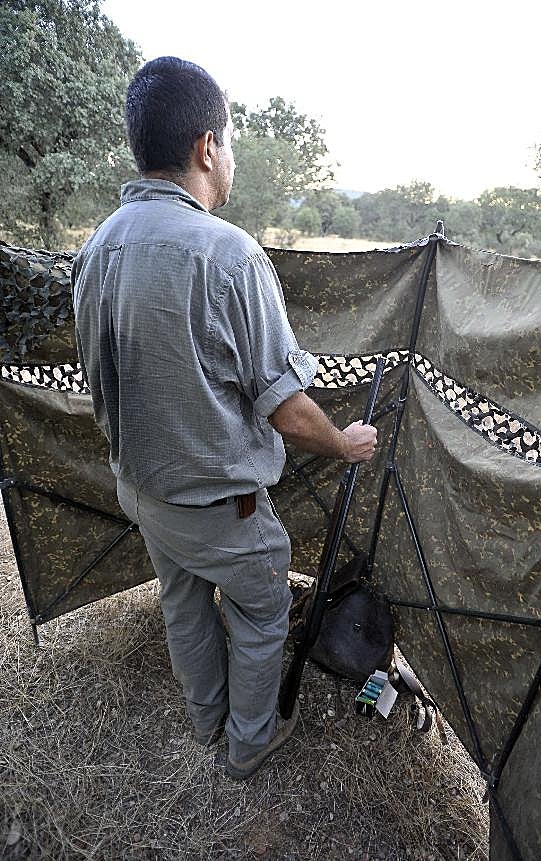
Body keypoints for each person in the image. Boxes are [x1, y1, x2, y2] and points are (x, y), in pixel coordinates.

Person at [71, 56, 377, 781]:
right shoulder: (228, 255)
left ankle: (205, 720)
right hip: (221, 512)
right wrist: (346, 443)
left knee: (184, 608)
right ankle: (247, 743)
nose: (230, 156)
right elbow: (291, 414)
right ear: (207, 147)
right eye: (230, 141)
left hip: (142, 493)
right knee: (262, 617)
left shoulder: (95, 249)